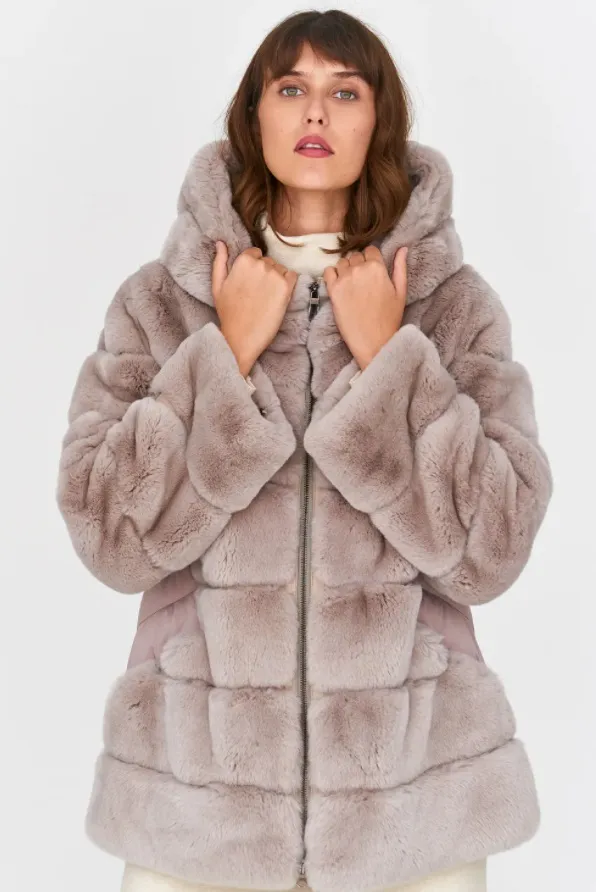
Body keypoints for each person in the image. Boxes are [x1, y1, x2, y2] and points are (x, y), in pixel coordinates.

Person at [55, 10, 553, 892]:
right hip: (196, 813)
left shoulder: (453, 307)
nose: (316, 112)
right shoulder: (161, 303)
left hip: (415, 813)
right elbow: (110, 538)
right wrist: (226, 356)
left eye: (345, 92)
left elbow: (491, 552)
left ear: (380, 120)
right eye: (291, 88)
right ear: (254, 116)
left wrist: (391, 362)